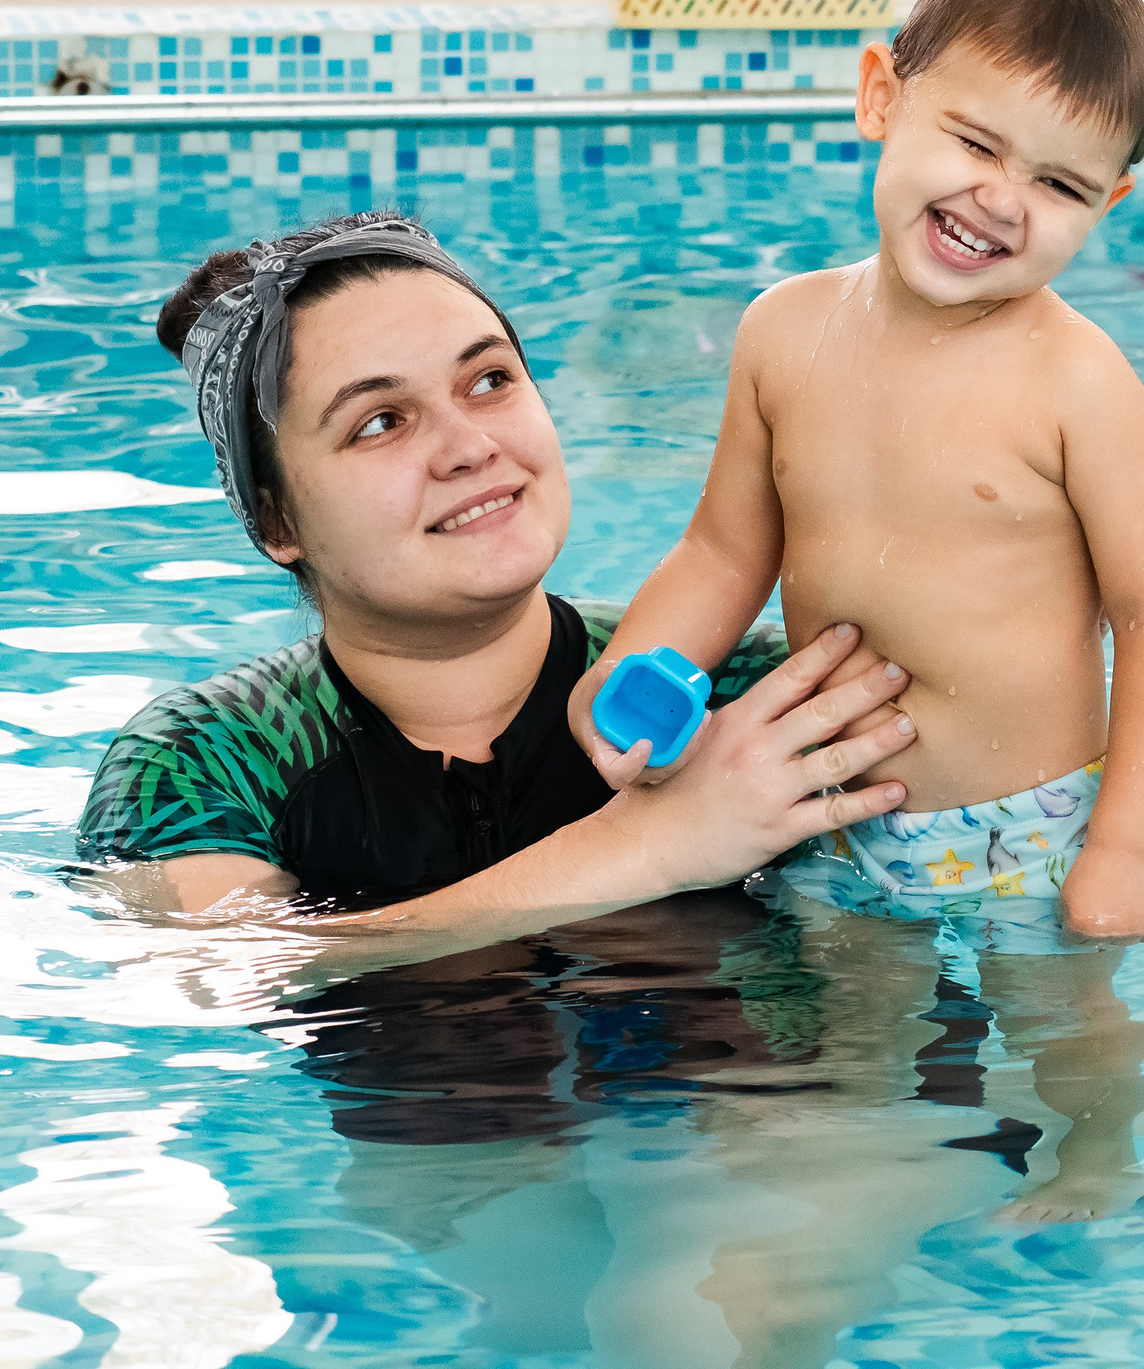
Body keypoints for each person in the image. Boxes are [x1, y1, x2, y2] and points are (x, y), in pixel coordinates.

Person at [566, 0, 1144, 1222]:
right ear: (880, 97)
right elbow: (726, 549)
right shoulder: (783, 332)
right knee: (857, 1021)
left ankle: (1099, 1164)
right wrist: (630, 681)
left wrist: (1125, 848)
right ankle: (862, 1182)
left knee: (1063, 1019)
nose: (1003, 200)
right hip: (843, 811)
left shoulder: (1076, 383)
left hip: (1028, 828)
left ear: (1109, 206)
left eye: (1062, 185)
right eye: (975, 143)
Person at [76, 212, 924, 942]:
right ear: (277, 522)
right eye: (380, 422)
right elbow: (226, 968)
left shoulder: (745, 694)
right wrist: (649, 847)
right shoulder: (203, 759)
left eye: (489, 380)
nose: (471, 447)